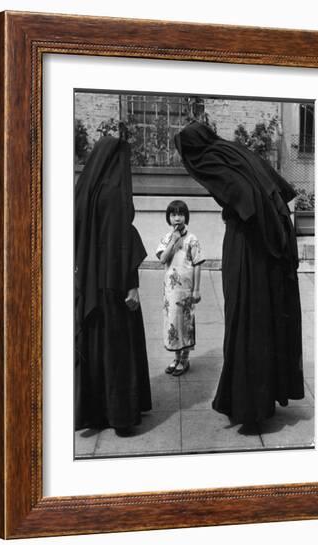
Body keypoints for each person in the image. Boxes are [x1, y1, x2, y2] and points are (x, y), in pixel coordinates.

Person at [174, 121, 304, 425]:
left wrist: (238, 215)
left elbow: (246, 198)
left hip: (248, 244)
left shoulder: (212, 158)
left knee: (245, 316)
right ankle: (261, 398)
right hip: (269, 242)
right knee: (263, 315)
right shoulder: (234, 150)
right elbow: (273, 191)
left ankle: (249, 404)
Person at [74, 134, 151, 434]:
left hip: (92, 284)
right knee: (118, 350)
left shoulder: (86, 190)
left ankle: (96, 413)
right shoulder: (116, 192)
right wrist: (131, 284)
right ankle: (121, 415)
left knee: (96, 348)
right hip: (115, 284)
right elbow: (121, 240)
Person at [156, 200, 205, 376]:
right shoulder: (166, 238)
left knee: (185, 323)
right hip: (170, 291)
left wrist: (196, 289)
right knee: (172, 322)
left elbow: (198, 264)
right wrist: (173, 241)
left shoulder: (192, 239)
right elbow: (163, 259)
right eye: (173, 214)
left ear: (186, 216)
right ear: (168, 217)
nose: (177, 218)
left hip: (186, 290)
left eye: (181, 214)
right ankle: (176, 357)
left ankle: (184, 358)